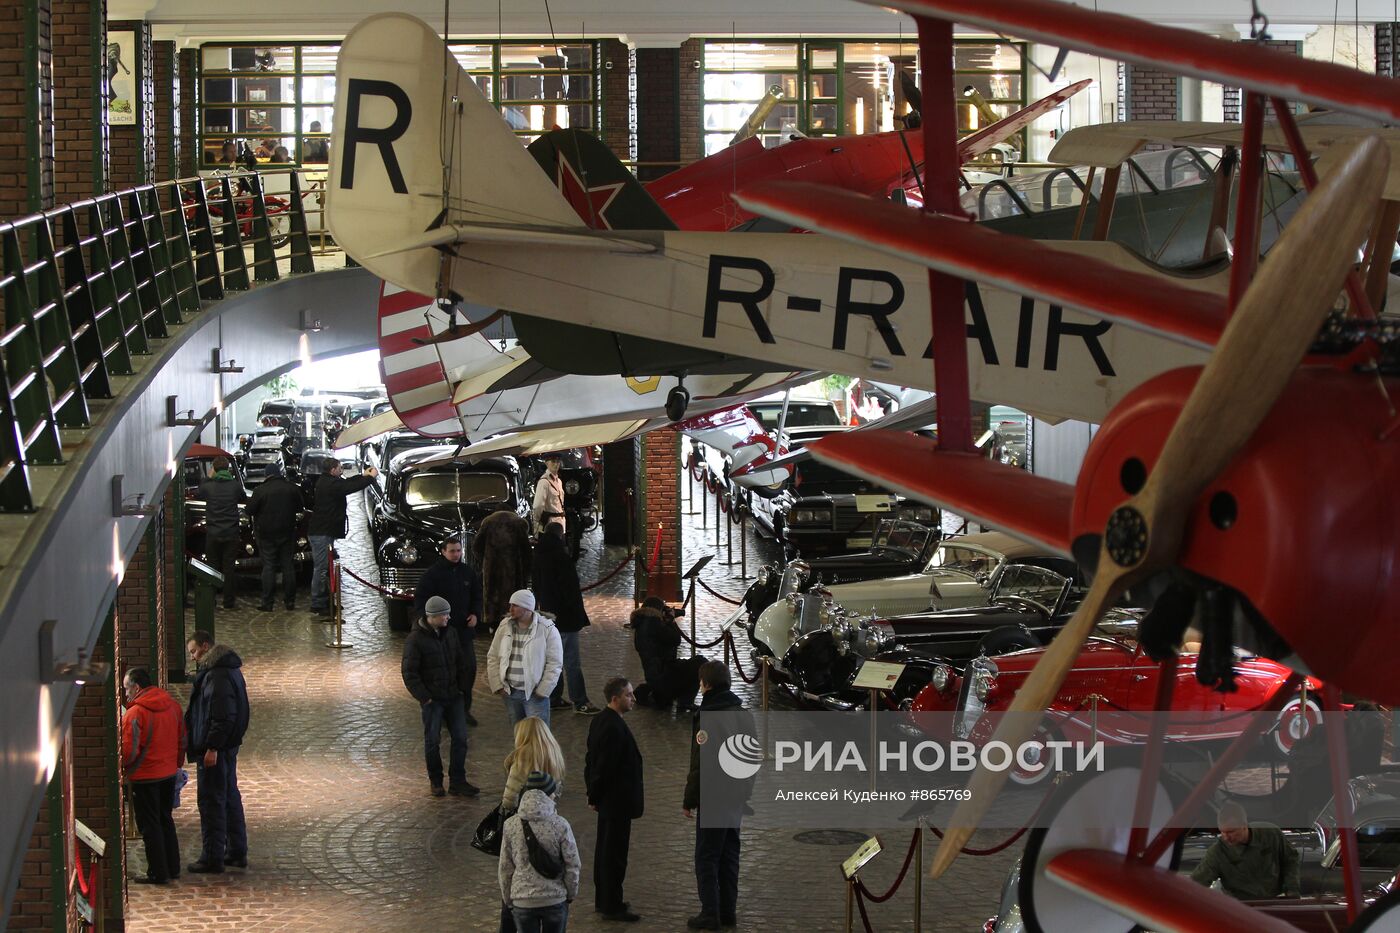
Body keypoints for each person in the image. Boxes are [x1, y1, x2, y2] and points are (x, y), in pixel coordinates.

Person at [683, 661, 754, 930]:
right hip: (735, 797)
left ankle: (710, 912)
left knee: (707, 856)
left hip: (713, 797)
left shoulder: (707, 716)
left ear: (706, 684)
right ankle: (728, 912)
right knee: (729, 854)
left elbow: (700, 763)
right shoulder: (742, 713)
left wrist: (689, 799)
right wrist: (745, 792)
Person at [184, 630, 250, 873]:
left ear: (205, 646)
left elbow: (221, 716)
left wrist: (212, 746)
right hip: (228, 747)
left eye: (193, 651)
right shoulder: (230, 670)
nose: (192, 657)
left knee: (212, 801)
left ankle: (212, 857)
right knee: (230, 796)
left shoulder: (216, 676)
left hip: (216, 750)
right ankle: (236, 850)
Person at [402, 595, 479, 797]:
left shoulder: (451, 633)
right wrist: (425, 697)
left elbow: (460, 662)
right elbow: (409, 673)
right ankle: (436, 781)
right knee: (432, 741)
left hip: (453, 695)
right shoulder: (415, 640)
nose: (448, 617)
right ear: (432, 617)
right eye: (444, 615)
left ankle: (458, 781)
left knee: (461, 738)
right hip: (432, 700)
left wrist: (462, 689)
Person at [585, 678, 644, 923]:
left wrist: (593, 794)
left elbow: (591, 762)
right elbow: (603, 768)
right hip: (616, 802)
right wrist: (595, 794)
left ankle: (605, 900)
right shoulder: (613, 728)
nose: (633, 699)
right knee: (614, 856)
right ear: (615, 698)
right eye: (629, 695)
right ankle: (612, 905)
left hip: (608, 801)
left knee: (605, 852)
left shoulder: (600, 720)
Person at [121, 667, 186, 885]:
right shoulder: (173, 706)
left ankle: (158, 872)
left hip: (145, 776)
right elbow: (181, 739)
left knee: (150, 826)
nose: (125, 694)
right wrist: (175, 765)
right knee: (166, 819)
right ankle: (173, 866)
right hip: (168, 773)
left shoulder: (134, 714)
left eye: (126, 689)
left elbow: (129, 751)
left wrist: (124, 769)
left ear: (136, 687)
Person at [414, 536, 484, 725]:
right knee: (445, 674)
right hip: (441, 637)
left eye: (459, 551)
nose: (456, 554)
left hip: (463, 634)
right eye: (452, 551)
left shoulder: (468, 573)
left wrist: (475, 614)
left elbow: (477, 597)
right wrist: (429, 624)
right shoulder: (432, 575)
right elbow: (420, 601)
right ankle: (444, 713)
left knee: (468, 671)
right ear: (443, 552)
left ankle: (464, 710)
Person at [499, 771, 580, 933]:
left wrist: (508, 898)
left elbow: (505, 867)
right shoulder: (561, 824)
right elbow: (573, 864)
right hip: (555, 898)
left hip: (522, 901)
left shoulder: (510, 825)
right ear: (550, 794)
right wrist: (571, 893)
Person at [534, 522, 599, 715]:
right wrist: (577, 614)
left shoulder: (539, 555)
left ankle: (554, 697)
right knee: (571, 661)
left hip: (548, 614)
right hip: (566, 617)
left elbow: (537, 584)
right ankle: (580, 701)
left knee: (554, 659)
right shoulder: (561, 557)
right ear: (561, 535)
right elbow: (570, 590)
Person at [308, 457, 377, 617]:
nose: (342, 471)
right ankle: (318, 602)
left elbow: (346, 482)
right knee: (322, 568)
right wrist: (369, 478)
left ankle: (326, 601)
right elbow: (348, 487)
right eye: (340, 468)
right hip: (321, 533)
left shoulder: (327, 481)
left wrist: (362, 475)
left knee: (325, 567)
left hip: (324, 532)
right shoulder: (330, 484)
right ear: (333, 470)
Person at [1190, 800, 1300, 899]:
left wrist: (1292, 890)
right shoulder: (1217, 853)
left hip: (1274, 901)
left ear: (1244, 826)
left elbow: (1291, 859)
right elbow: (1196, 884)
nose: (1226, 837)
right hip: (1240, 906)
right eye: (1222, 832)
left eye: (1231, 832)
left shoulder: (1271, 834)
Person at [487, 590, 563, 726]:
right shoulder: (505, 625)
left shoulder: (547, 629)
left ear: (527, 607)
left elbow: (555, 663)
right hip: (510, 693)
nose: (510, 609)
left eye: (515, 606)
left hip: (535, 695)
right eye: (511, 605)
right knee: (519, 734)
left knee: (538, 737)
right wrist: (497, 685)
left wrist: (544, 689)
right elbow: (493, 656)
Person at [245, 460, 304, 611]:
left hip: (266, 534)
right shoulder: (291, 488)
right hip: (287, 532)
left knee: (269, 566)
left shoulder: (260, 490)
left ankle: (267, 603)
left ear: (267, 475)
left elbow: (249, 510)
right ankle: (290, 602)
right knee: (288, 566)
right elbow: (300, 507)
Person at [632, 597, 703, 711]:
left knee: (688, 665)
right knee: (700, 663)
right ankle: (685, 702)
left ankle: (659, 695)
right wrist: (671, 621)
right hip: (663, 675)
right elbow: (675, 639)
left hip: (655, 674)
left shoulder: (642, 623)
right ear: (657, 610)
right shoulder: (654, 623)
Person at [197, 455, 244, 609]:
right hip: (231, 532)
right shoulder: (235, 486)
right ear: (228, 469)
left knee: (212, 567)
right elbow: (243, 498)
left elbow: (199, 492)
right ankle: (229, 601)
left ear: (214, 470)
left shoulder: (208, 486)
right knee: (229, 568)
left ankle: (211, 600)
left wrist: (208, 477)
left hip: (213, 532)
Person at [475, 510, 533, 632]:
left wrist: (485, 561)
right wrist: (526, 571)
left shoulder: (488, 522)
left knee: (493, 600)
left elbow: (477, 546)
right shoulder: (518, 523)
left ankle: (494, 627)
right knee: (513, 599)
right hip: (513, 571)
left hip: (491, 570)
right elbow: (526, 552)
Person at [502, 716, 566, 814]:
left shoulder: (521, 755)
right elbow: (558, 786)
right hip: (548, 810)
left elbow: (511, 794)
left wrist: (508, 806)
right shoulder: (554, 751)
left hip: (525, 812)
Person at [531, 454, 566, 535]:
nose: (556, 464)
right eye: (553, 461)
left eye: (558, 461)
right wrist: (537, 522)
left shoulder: (559, 481)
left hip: (560, 523)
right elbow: (538, 505)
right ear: (546, 463)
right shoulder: (544, 482)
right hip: (550, 524)